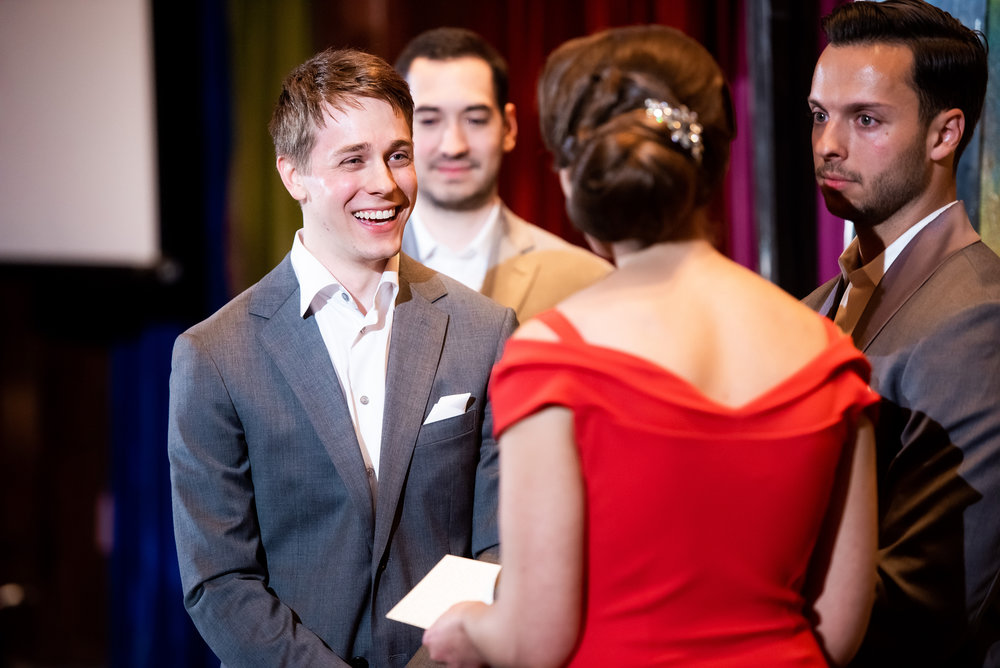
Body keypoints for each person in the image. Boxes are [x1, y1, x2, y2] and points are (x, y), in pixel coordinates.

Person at [422, 24, 879, 667]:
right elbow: (840, 625)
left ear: (576, 180)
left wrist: (467, 626)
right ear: (716, 161)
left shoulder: (552, 357)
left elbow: (533, 640)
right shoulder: (829, 353)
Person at [167, 47, 516, 668]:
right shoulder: (214, 354)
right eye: (352, 159)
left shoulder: (483, 329)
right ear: (292, 174)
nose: (384, 182)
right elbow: (220, 581)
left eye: (398, 155)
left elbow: (499, 542)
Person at [803, 1, 1000, 664]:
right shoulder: (814, 306)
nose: (830, 144)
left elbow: (934, 596)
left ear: (945, 135)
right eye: (819, 116)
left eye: (865, 119)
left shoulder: (982, 317)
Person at [394, 27, 611, 321]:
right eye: (430, 120)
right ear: (399, 130)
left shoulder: (586, 280)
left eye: (475, 120)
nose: (454, 146)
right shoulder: (359, 268)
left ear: (508, 127)